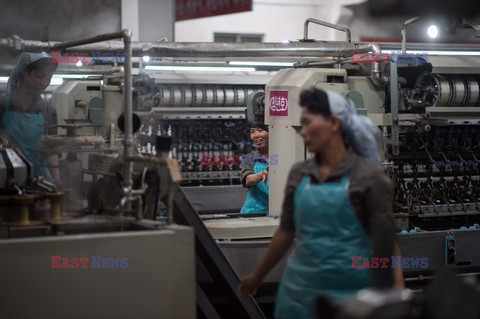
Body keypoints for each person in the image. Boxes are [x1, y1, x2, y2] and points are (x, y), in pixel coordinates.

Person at [238, 88, 404, 318]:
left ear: (333, 123)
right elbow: (286, 231)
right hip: (298, 294)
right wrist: (257, 275)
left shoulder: (368, 178)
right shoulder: (299, 173)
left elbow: (386, 243)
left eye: (308, 123)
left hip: (350, 296)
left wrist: (395, 290)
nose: (303, 131)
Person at [0, 52, 60, 183]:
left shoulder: (48, 111)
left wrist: (57, 182)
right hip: (6, 178)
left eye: (49, 78)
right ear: (25, 72)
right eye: (40, 76)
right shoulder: (3, 105)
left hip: (38, 179)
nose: (44, 83)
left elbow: (51, 150)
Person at [239, 124, 270, 213]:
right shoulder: (249, 158)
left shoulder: (284, 155)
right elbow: (247, 180)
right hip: (253, 212)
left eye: (260, 130)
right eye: (252, 132)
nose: (256, 135)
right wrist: (262, 174)